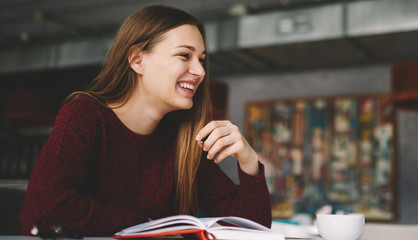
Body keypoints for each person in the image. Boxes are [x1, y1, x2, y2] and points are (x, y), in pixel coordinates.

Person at [18, 5, 271, 236]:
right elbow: (46, 206)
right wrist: (149, 227)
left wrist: (248, 160)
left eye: (202, 60)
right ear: (138, 60)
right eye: (185, 55)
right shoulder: (84, 115)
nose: (201, 71)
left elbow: (252, 232)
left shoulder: (185, 140)